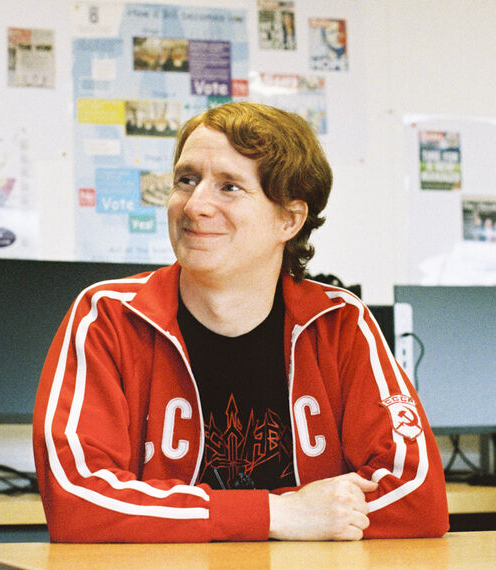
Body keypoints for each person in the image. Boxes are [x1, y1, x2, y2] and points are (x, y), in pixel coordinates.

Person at [33, 102, 448, 543]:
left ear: (289, 218)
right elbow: (76, 501)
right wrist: (278, 515)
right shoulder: (108, 316)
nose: (194, 205)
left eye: (229, 187)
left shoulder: (338, 322)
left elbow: (418, 497)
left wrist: (268, 518)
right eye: (186, 180)